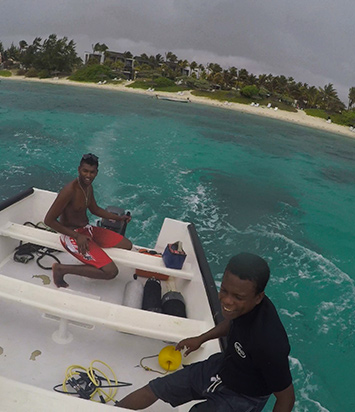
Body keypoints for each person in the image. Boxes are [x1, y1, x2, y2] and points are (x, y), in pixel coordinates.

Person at [116, 252, 295, 411]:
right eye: (224, 290)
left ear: (259, 298)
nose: (226, 301)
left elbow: (286, 398)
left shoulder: (270, 344)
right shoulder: (244, 308)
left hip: (244, 396)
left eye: (238, 297)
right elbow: (233, 323)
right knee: (155, 388)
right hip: (222, 366)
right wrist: (200, 339)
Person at [44, 153, 133, 288]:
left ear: (96, 172)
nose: (88, 175)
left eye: (92, 172)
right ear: (79, 169)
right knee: (111, 272)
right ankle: (61, 269)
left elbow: (95, 209)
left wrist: (119, 218)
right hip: (71, 235)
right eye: (85, 171)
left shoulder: (88, 187)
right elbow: (49, 220)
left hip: (87, 230)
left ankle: (93, 256)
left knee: (127, 245)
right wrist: (77, 236)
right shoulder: (69, 190)